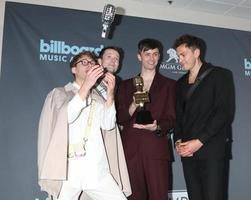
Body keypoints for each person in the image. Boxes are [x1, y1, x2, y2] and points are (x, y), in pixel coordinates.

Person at [37, 51, 131, 200]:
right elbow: (67, 116)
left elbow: (108, 125)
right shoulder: (59, 93)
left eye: (92, 62)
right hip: (69, 171)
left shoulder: (98, 98)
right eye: (84, 62)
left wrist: (111, 93)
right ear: (74, 69)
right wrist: (86, 86)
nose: (90, 65)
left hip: (97, 170)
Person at [173, 34, 235, 200]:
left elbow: (224, 113)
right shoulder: (179, 84)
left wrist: (199, 141)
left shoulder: (220, 75)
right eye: (178, 55)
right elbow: (178, 116)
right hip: (188, 152)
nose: (179, 59)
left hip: (211, 150)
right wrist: (178, 141)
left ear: (196, 53)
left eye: (183, 55)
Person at [117, 38, 176, 200]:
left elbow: (172, 118)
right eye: (147, 54)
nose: (152, 58)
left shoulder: (170, 85)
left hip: (156, 148)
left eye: (155, 54)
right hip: (131, 150)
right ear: (139, 56)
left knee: (159, 196)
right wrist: (133, 105)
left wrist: (157, 127)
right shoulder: (125, 85)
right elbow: (120, 118)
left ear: (160, 57)